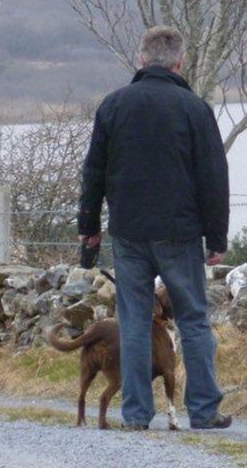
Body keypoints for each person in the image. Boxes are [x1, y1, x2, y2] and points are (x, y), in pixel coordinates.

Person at [78, 25, 232, 430]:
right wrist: (216, 238)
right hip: (179, 233)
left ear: (141, 59)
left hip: (128, 231)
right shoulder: (195, 109)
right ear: (181, 62)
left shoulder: (113, 106)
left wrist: (89, 226)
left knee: (132, 322)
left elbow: (93, 172)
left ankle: (135, 414)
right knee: (194, 320)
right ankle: (203, 411)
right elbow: (214, 177)